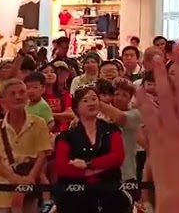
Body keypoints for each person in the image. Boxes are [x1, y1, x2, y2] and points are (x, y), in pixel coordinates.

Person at [54, 85, 126, 213]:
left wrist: (87, 165)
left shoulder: (111, 129)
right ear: (76, 107)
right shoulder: (67, 136)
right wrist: (98, 169)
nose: (91, 103)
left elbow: (117, 157)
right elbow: (62, 167)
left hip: (109, 192)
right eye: (85, 100)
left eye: (94, 99)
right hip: (75, 194)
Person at [0, 78, 51, 213]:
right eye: (12, 94)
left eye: (21, 92)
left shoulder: (39, 123)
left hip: (28, 194)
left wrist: (29, 179)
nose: (18, 97)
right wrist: (15, 179)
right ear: (3, 101)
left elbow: (42, 155)